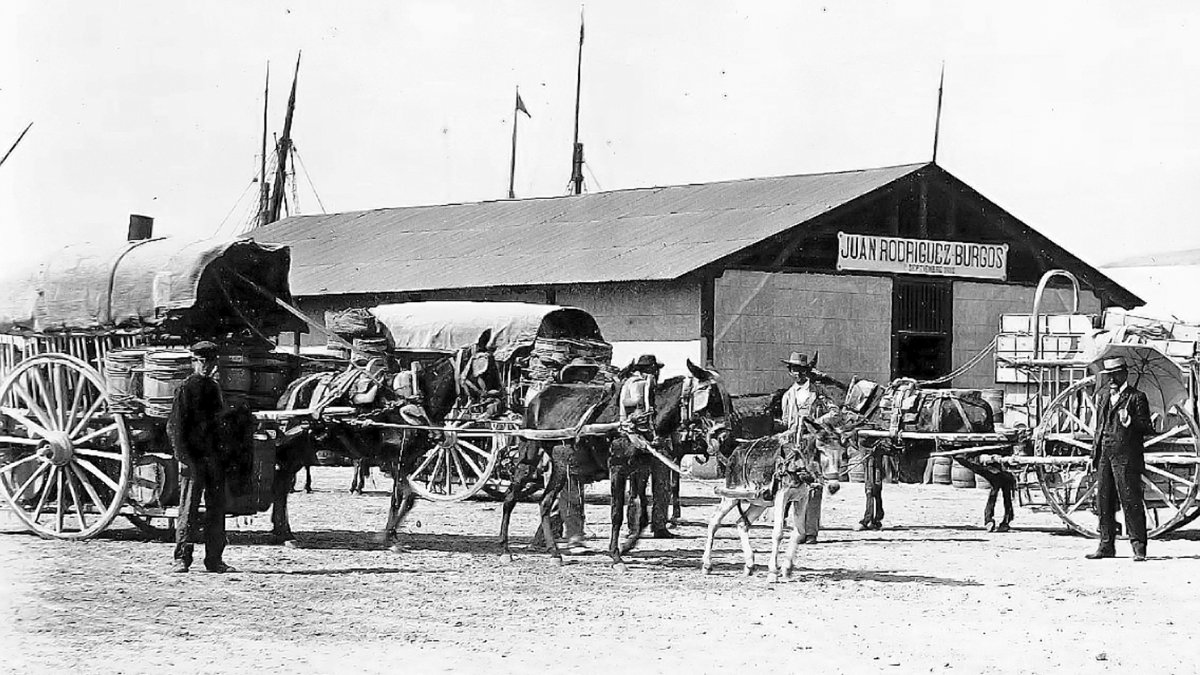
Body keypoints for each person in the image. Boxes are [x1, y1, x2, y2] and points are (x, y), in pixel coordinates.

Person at [167, 341, 235, 573]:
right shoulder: (186, 388)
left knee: (217, 509)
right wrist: (184, 458)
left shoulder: (214, 388)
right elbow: (175, 427)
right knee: (189, 508)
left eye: (210, 362)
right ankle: (182, 558)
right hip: (193, 459)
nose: (206, 367)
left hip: (213, 457)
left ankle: (214, 560)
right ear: (193, 362)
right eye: (201, 362)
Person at [1087, 356, 1153, 562]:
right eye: (1108, 376)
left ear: (1124, 374)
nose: (1111, 380)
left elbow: (1147, 427)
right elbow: (1099, 429)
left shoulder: (1137, 397)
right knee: (1103, 501)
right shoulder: (1105, 397)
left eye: (1115, 375)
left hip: (1126, 457)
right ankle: (1106, 545)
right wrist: (1093, 455)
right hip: (1105, 455)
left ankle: (1138, 547)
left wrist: (1131, 421)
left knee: (1130, 501)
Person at [778, 351, 833, 544]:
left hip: (813, 442)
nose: (798, 373)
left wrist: (817, 421)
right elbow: (785, 421)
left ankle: (811, 531)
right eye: (794, 370)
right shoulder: (787, 395)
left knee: (814, 485)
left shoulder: (817, 392)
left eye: (801, 370)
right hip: (794, 444)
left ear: (806, 371)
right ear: (790, 371)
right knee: (790, 482)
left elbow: (835, 412)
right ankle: (797, 529)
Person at [620, 354, 675, 539]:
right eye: (652, 370)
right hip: (641, 442)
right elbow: (629, 412)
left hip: (659, 442)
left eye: (655, 370)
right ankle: (634, 526)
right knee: (637, 487)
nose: (655, 373)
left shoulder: (660, 392)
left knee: (662, 486)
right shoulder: (634, 386)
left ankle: (659, 525)